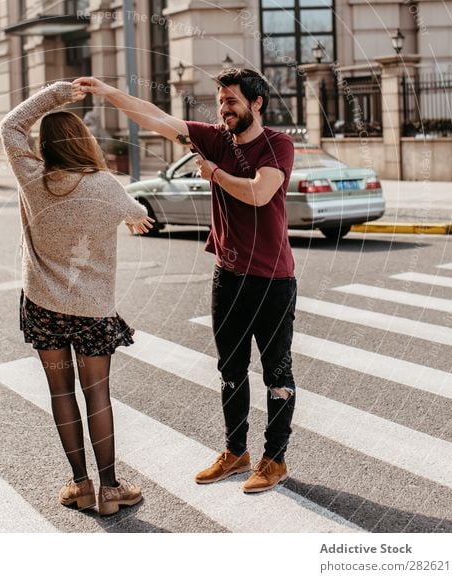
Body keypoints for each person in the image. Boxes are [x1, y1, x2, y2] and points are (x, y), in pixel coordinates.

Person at [74, 68, 297, 494]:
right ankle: (236, 453)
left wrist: (213, 174)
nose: (224, 109)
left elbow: (258, 192)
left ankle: (275, 460)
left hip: (272, 279)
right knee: (230, 370)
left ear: (256, 103)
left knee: (277, 374)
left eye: (231, 101)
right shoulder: (216, 137)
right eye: (221, 102)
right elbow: (154, 116)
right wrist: (106, 92)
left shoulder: (278, 144)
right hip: (227, 276)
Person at [0, 81, 154, 515]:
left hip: (44, 305)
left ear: (44, 146)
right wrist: (128, 216)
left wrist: (55, 94)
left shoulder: (33, 179)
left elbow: (11, 126)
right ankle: (110, 490)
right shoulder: (105, 185)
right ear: (84, 142)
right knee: (97, 394)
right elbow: (141, 215)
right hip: (93, 311)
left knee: (61, 393)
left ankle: (80, 485)